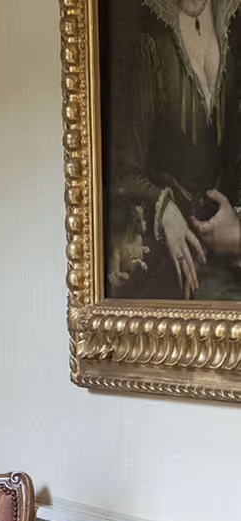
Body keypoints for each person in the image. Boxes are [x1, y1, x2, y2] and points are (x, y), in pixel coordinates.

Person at [106, 0, 241, 300]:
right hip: (177, 251)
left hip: (230, 247)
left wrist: (235, 231)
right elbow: (121, 171)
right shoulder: (151, 46)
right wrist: (165, 209)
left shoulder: (234, 31)